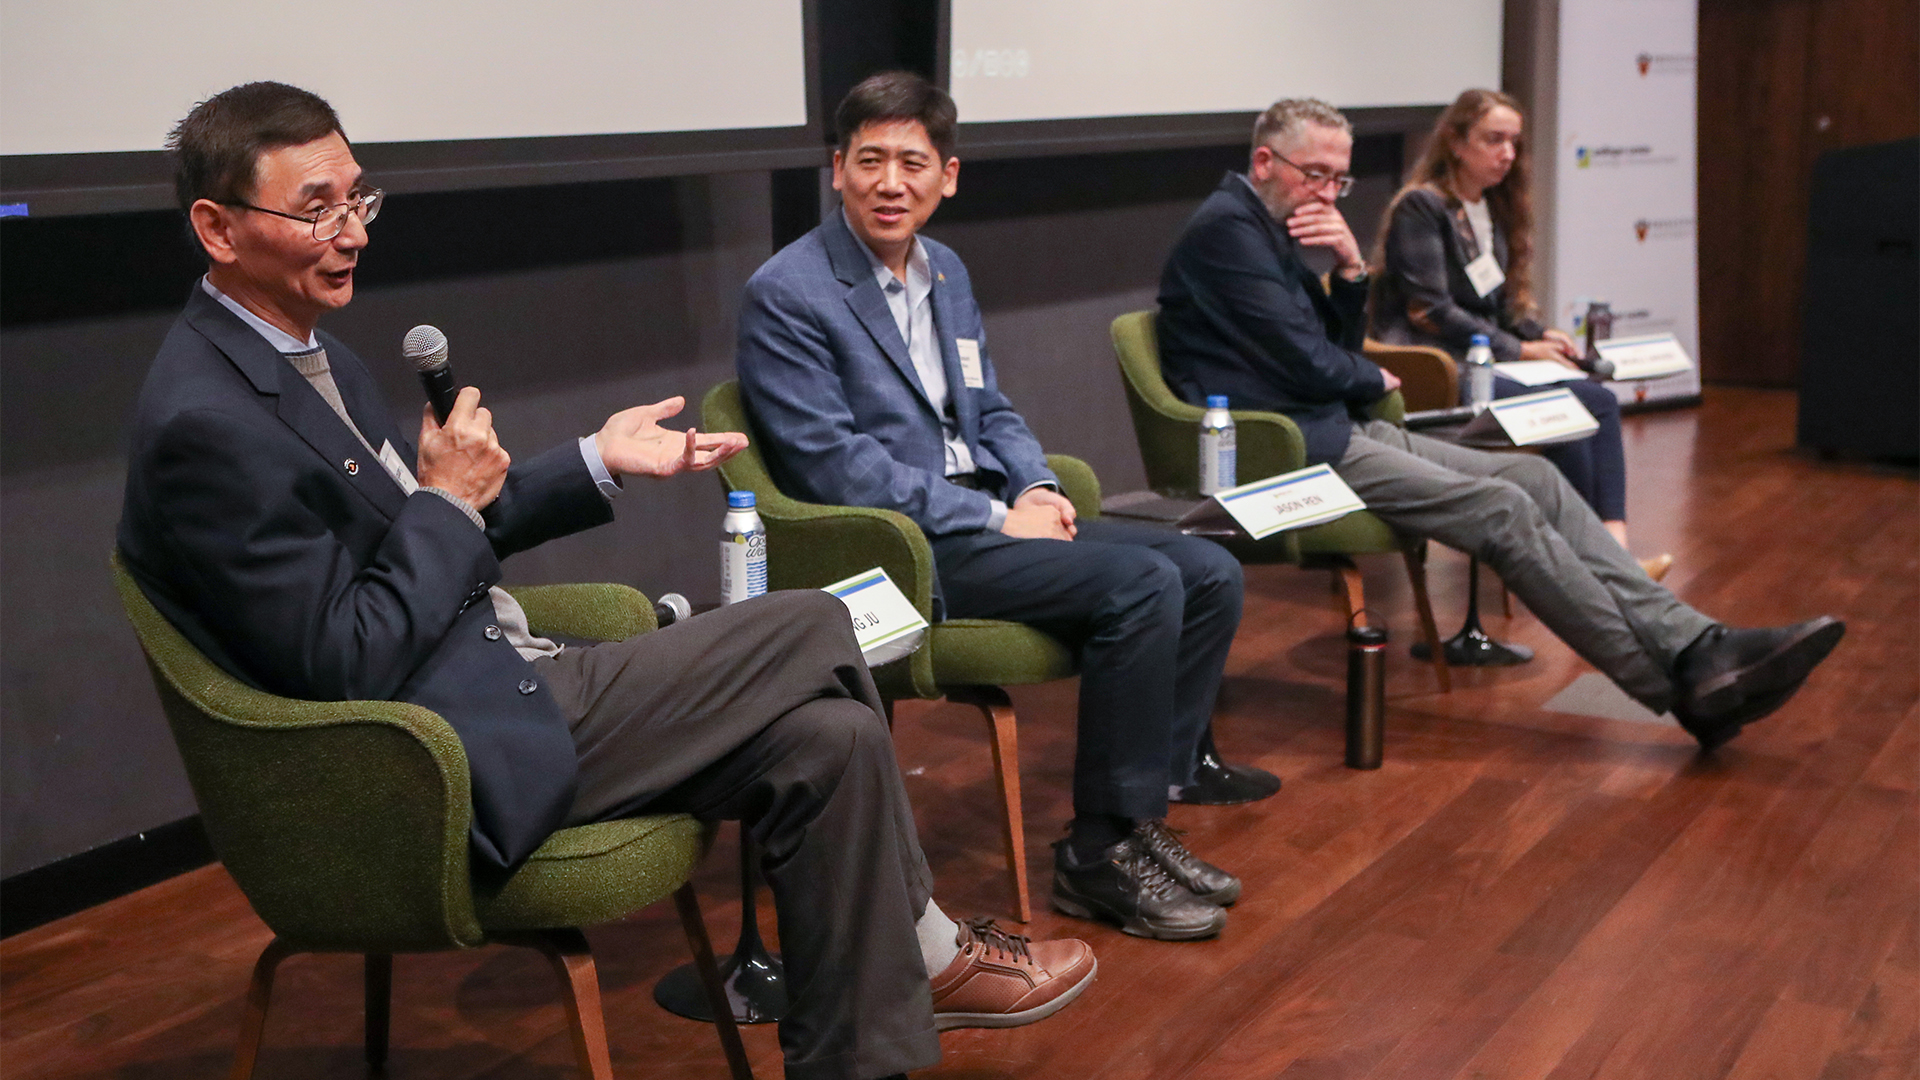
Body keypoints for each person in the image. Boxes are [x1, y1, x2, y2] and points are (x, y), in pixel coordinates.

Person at [117, 81, 1094, 1080]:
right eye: (316, 207)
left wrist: (593, 458)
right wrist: (445, 504)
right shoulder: (208, 421)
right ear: (217, 228)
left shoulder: (309, 358)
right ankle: (931, 948)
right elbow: (344, 655)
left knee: (830, 738)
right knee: (809, 625)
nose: (351, 232)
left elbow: (425, 540)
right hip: (433, 756)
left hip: (494, 681)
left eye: (360, 200)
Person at [737, 72, 1260, 943]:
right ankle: (1096, 853)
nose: (890, 183)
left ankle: (1137, 820)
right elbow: (834, 468)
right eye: (870, 160)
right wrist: (989, 518)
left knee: (1207, 569)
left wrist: (1036, 486)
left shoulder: (946, 270)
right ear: (836, 170)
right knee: (1141, 584)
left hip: (990, 517)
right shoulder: (788, 292)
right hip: (904, 547)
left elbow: (991, 407)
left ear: (949, 175)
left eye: (913, 162)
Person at [1156, 96, 1844, 750]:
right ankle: (1675, 685)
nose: (1330, 194)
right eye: (1316, 175)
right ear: (1266, 162)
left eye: (1340, 179)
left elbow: (1328, 351)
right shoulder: (1228, 233)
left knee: (1532, 476)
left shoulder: (1268, 228)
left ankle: (1697, 642)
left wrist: (1350, 268)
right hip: (1289, 446)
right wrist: (1373, 376)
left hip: (1336, 424)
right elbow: (1307, 362)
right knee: (1503, 508)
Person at [1370, 88, 1665, 577]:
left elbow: (1499, 305)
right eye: (1493, 139)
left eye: (1514, 142)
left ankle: (1611, 555)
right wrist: (1521, 349)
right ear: (1456, 143)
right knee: (1566, 407)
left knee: (1597, 400)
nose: (1507, 153)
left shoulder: (1490, 210)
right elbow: (1431, 311)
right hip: (1435, 367)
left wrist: (1541, 334)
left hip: (1485, 358)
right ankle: (1602, 565)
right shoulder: (1421, 208)